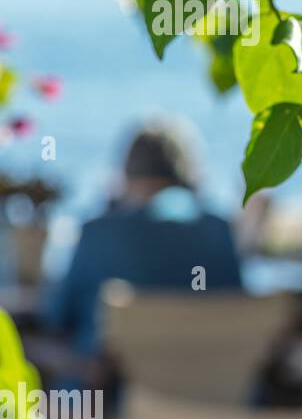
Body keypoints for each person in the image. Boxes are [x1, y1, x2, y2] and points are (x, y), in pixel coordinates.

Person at [44, 121, 242, 356]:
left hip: (115, 388)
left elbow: (57, 317)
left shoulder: (98, 233)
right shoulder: (219, 231)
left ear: (127, 172)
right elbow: (236, 307)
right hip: (211, 385)